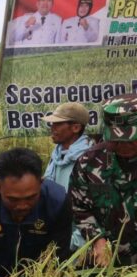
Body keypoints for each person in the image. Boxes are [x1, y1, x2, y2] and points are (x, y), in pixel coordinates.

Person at [0, 147, 72, 277]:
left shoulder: (58, 202)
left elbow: (57, 263)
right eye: (13, 199)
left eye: (30, 198)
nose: (22, 206)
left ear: (41, 183)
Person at [69, 93, 137, 267]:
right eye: (116, 140)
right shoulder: (88, 163)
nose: (123, 145)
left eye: (131, 140)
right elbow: (78, 208)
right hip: (107, 262)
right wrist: (97, 239)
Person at [42, 102, 94, 250]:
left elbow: (93, 209)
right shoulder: (58, 154)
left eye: (58, 124)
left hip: (78, 246)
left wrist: (70, 244)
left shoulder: (90, 160)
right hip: (58, 238)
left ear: (76, 128)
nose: (52, 128)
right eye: (52, 124)